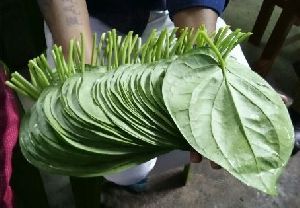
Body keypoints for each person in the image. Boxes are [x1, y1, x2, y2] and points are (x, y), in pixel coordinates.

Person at [35, 0, 250, 189]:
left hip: (170, 8)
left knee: (233, 112)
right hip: (88, 15)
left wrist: (201, 68)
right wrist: (83, 82)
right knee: (121, 165)